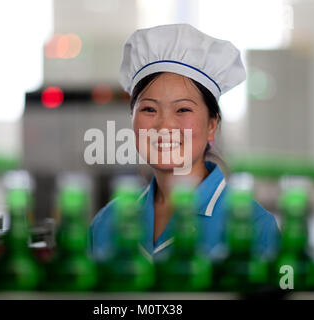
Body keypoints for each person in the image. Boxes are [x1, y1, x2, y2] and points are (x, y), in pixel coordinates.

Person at [88, 24, 280, 261]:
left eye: (183, 109)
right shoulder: (107, 222)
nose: (164, 126)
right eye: (149, 109)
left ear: (211, 125)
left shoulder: (254, 225)